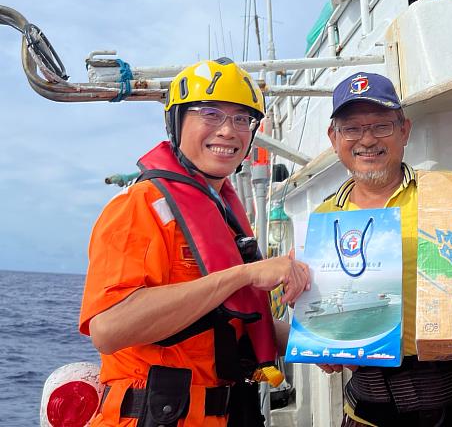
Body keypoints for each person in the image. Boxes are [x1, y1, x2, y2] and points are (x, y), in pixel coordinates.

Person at [80, 57, 310, 427]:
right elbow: (108, 329)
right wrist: (243, 275)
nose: (228, 131)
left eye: (241, 119)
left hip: (229, 411)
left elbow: (234, 323)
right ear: (176, 121)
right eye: (210, 114)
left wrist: (328, 344)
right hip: (156, 415)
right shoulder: (137, 207)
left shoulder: (224, 217)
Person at [315, 72, 452, 427]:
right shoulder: (322, 219)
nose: (368, 139)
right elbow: (321, 311)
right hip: (369, 408)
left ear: (404, 130)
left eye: (381, 126)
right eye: (352, 128)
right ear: (334, 138)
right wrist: (321, 342)